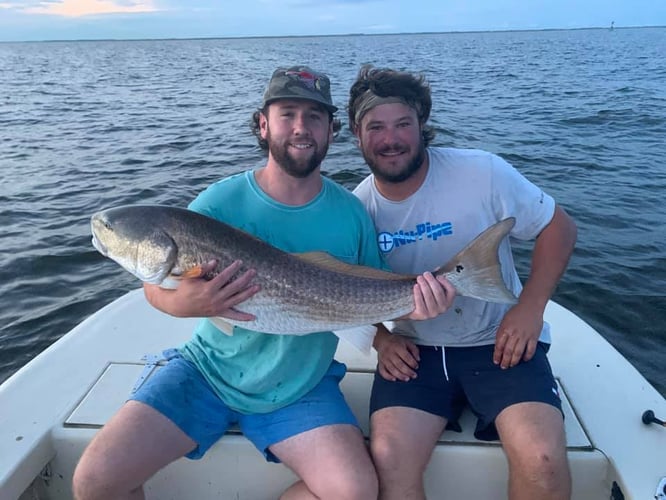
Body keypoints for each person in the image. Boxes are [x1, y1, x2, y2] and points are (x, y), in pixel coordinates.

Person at [73, 65, 452, 500]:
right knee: (95, 480)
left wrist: (390, 332)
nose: (300, 128)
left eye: (313, 117)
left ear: (331, 129)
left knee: (355, 491)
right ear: (262, 123)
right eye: (287, 113)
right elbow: (156, 286)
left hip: (301, 385)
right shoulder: (218, 202)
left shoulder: (350, 213)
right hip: (206, 372)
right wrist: (187, 304)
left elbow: (369, 292)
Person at [348, 64, 578, 500]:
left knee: (544, 461)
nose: (390, 138)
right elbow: (343, 294)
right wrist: (381, 341)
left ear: (422, 125)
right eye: (375, 126)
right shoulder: (356, 209)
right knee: (388, 458)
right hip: (416, 354)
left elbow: (559, 228)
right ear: (357, 136)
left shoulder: (482, 173)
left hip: (501, 345)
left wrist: (530, 309)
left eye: (402, 124)